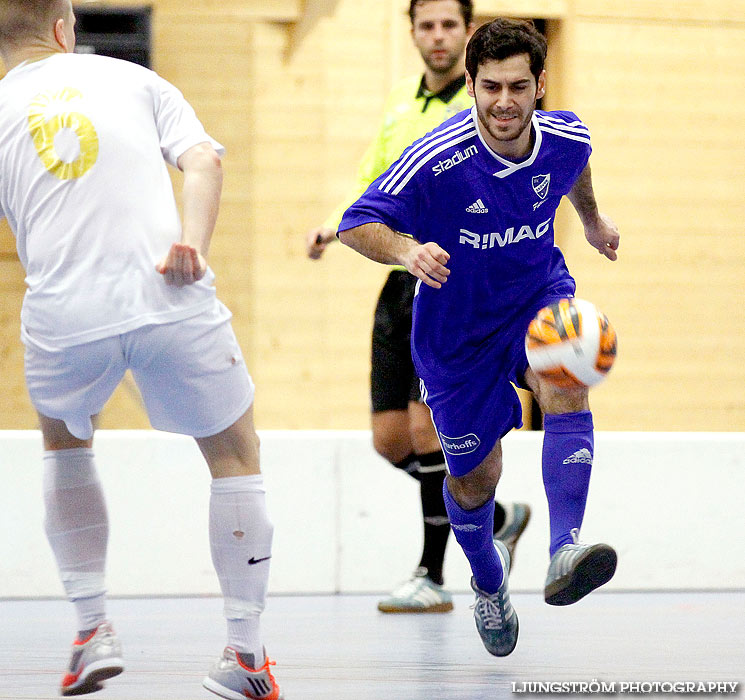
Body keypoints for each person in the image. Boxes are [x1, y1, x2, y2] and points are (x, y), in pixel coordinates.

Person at [0, 2, 282, 697]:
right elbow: (203, 160)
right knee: (234, 455)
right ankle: (245, 656)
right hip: (169, 290)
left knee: (66, 446)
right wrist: (194, 240)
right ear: (67, 28)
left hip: (65, 312)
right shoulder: (133, 80)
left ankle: (91, 628)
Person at [338, 18, 620, 657]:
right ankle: (489, 585)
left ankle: (563, 549)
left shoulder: (566, 136)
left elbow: (574, 167)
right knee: (474, 478)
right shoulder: (437, 158)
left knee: (565, 374)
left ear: (539, 84)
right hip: (454, 338)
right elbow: (357, 224)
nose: (504, 102)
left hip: (535, 296)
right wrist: (408, 251)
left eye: (518, 86)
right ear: (470, 85)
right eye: (489, 86)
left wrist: (594, 221)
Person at [305, 0, 531, 614]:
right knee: (390, 439)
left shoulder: (488, 105)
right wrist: (335, 225)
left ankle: (431, 574)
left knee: (430, 429)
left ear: (467, 33)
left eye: (449, 25)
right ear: (411, 33)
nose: (437, 36)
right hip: (402, 273)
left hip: (456, 284)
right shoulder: (403, 100)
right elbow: (373, 176)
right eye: (426, 25)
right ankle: (498, 511)